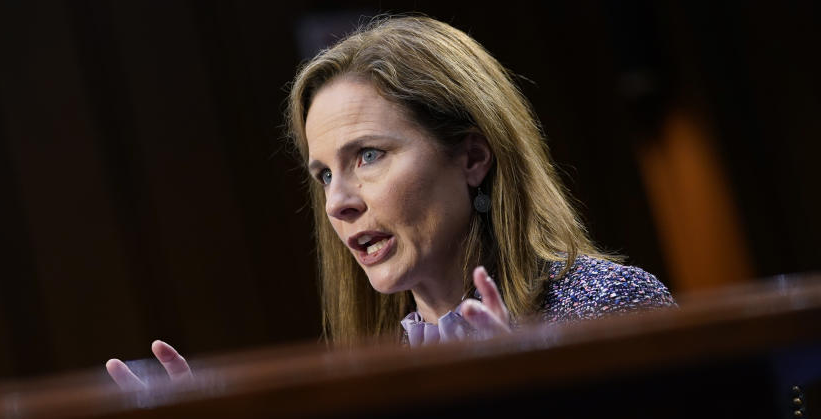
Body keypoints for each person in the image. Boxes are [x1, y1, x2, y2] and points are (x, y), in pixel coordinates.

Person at [106, 14, 674, 389]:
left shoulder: (610, 306)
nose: (338, 203)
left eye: (368, 156)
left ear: (472, 157)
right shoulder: (378, 376)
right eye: (325, 174)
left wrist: (537, 409)